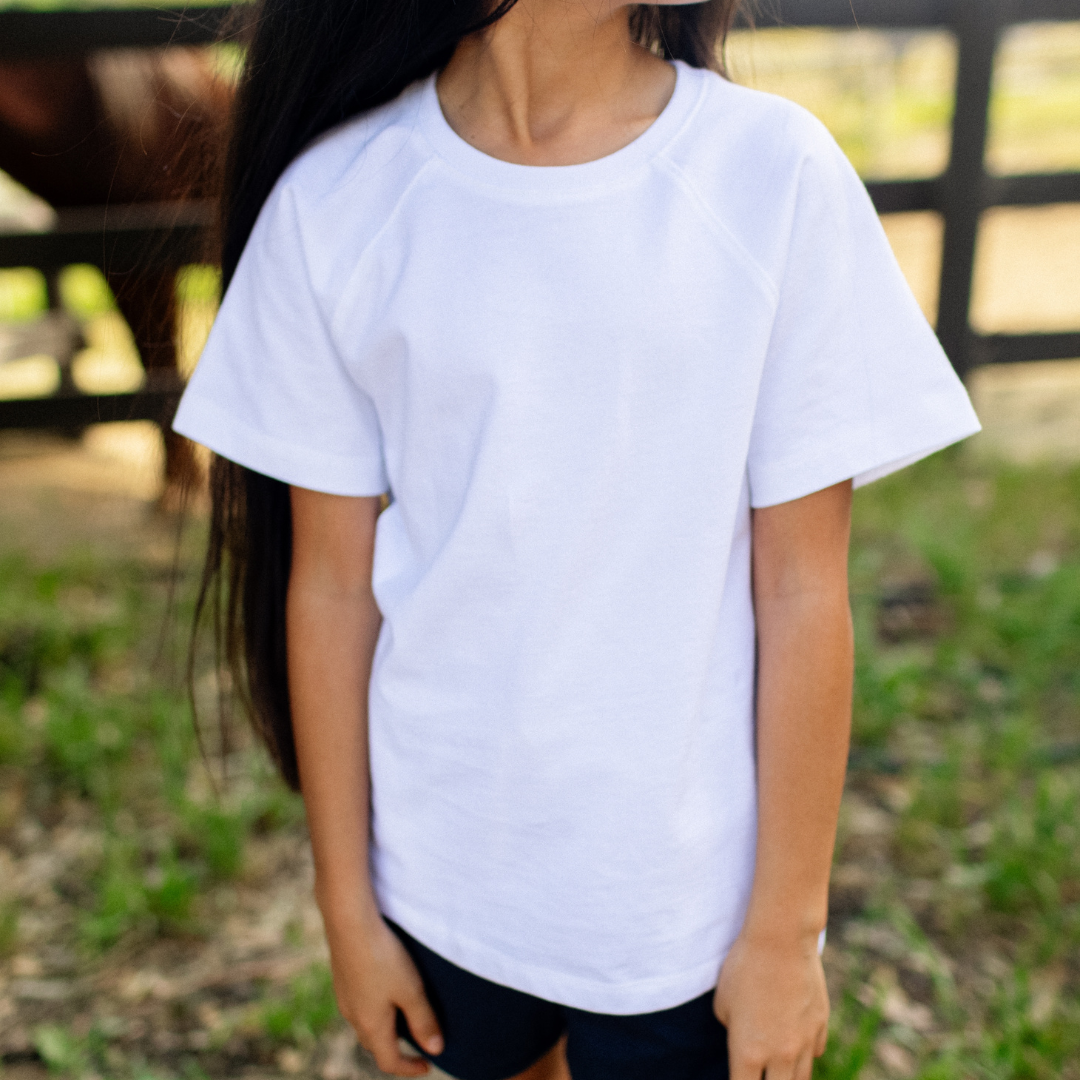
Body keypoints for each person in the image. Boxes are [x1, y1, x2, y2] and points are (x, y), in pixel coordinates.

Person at [173, 1, 981, 1077]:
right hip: (441, 876)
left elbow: (800, 589)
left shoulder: (771, 174)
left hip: (685, 906)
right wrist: (347, 907)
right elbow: (330, 588)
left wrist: (785, 933)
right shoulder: (337, 202)